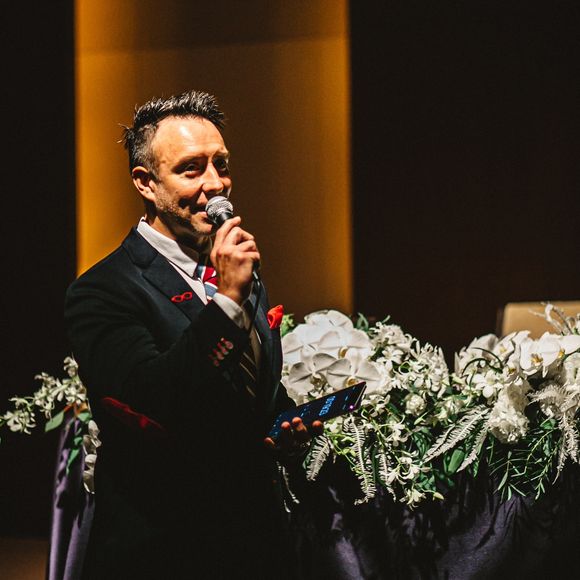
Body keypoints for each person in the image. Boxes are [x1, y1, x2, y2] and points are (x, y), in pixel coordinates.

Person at [63, 90, 321, 579]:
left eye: (221, 164)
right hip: (165, 546)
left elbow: (247, 387)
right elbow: (152, 396)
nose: (216, 184)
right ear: (145, 182)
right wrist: (227, 302)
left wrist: (284, 423)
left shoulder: (236, 269)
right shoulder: (102, 290)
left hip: (255, 539)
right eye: (191, 169)